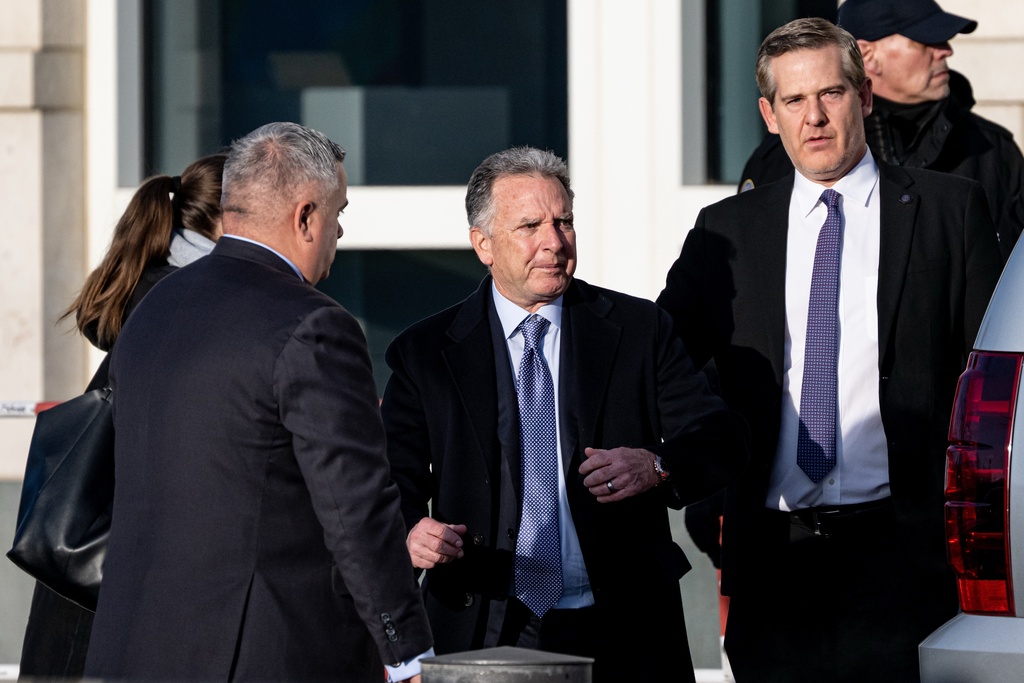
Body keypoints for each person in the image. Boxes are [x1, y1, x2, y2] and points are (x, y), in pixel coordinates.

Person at [657, 18, 1001, 683]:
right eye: (794, 100)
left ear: (864, 97)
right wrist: (692, 486)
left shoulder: (950, 211)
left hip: (904, 556)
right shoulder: (728, 230)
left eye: (832, 94)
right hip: (773, 563)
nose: (814, 117)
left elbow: (988, 382)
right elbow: (664, 363)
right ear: (768, 114)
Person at [380, 146, 748, 683]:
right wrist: (411, 533)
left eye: (564, 222)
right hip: (483, 622)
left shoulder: (639, 331)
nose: (554, 242)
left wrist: (657, 465)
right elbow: (390, 482)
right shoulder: (426, 353)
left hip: (624, 626)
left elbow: (721, 438)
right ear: (483, 243)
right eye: (530, 226)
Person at [84, 122, 432, 682]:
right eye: (338, 214)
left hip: (134, 651)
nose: (339, 233)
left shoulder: (152, 309)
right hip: (265, 656)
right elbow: (356, 510)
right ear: (305, 217)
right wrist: (407, 652)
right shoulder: (313, 325)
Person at [17, 152, 225, 679]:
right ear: (229, 219)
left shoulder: (155, 289)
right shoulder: (186, 305)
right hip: (122, 582)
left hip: (84, 585)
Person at [738, 0, 1024, 261]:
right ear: (867, 54)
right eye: (927, 40)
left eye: (831, 94)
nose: (946, 50)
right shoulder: (785, 157)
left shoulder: (990, 149)